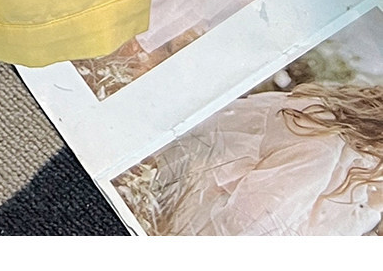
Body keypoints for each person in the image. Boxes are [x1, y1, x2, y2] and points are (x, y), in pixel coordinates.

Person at [131, 83, 383, 234]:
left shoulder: (319, 114)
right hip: (167, 212)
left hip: (157, 178)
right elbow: (247, 227)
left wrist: (373, 205)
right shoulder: (324, 149)